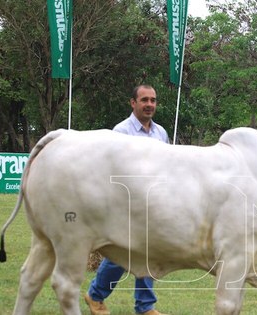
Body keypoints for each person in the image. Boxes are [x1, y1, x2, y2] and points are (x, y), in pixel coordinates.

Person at [84, 85, 169, 315]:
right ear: (133, 103)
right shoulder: (120, 132)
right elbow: (113, 171)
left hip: (151, 205)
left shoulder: (161, 134)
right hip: (125, 204)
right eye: (144, 100)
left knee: (146, 253)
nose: (149, 104)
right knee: (122, 255)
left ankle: (144, 306)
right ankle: (95, 295)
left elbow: (166, 169)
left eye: (153, 100)